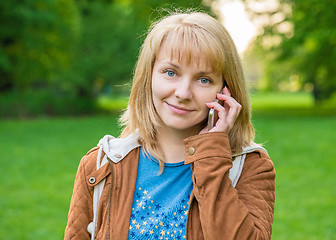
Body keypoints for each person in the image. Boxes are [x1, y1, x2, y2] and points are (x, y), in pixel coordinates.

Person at [64, 10, 275, 240]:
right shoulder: (100, 165)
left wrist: (212, 157)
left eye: (204, 79)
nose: (183, 93)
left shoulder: (250, 167)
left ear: (226, 91)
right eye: (171, 72)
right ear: (149, 76)